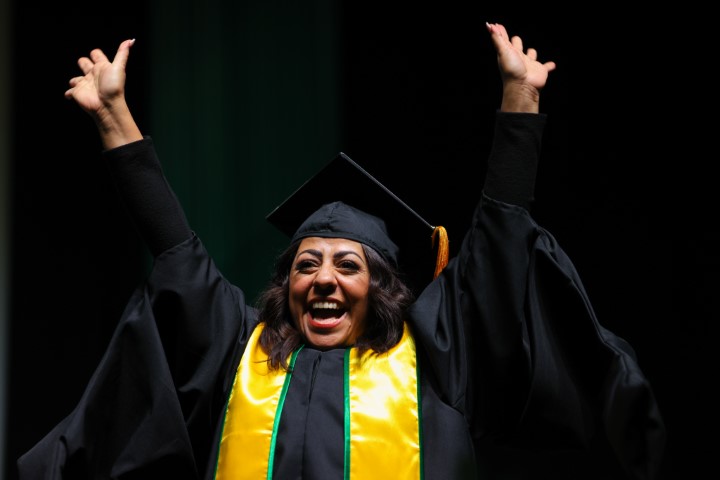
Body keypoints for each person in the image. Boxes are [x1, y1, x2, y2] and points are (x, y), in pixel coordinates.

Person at [18, 22, 665, 480]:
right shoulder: (239, 352)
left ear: (382, 289)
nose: (323, 279)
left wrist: (520, 101)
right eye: (306, 265)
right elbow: (177, 255)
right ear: (285, 287)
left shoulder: (434, 359)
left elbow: (498, 250)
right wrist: (113, 116)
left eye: (347, 265)